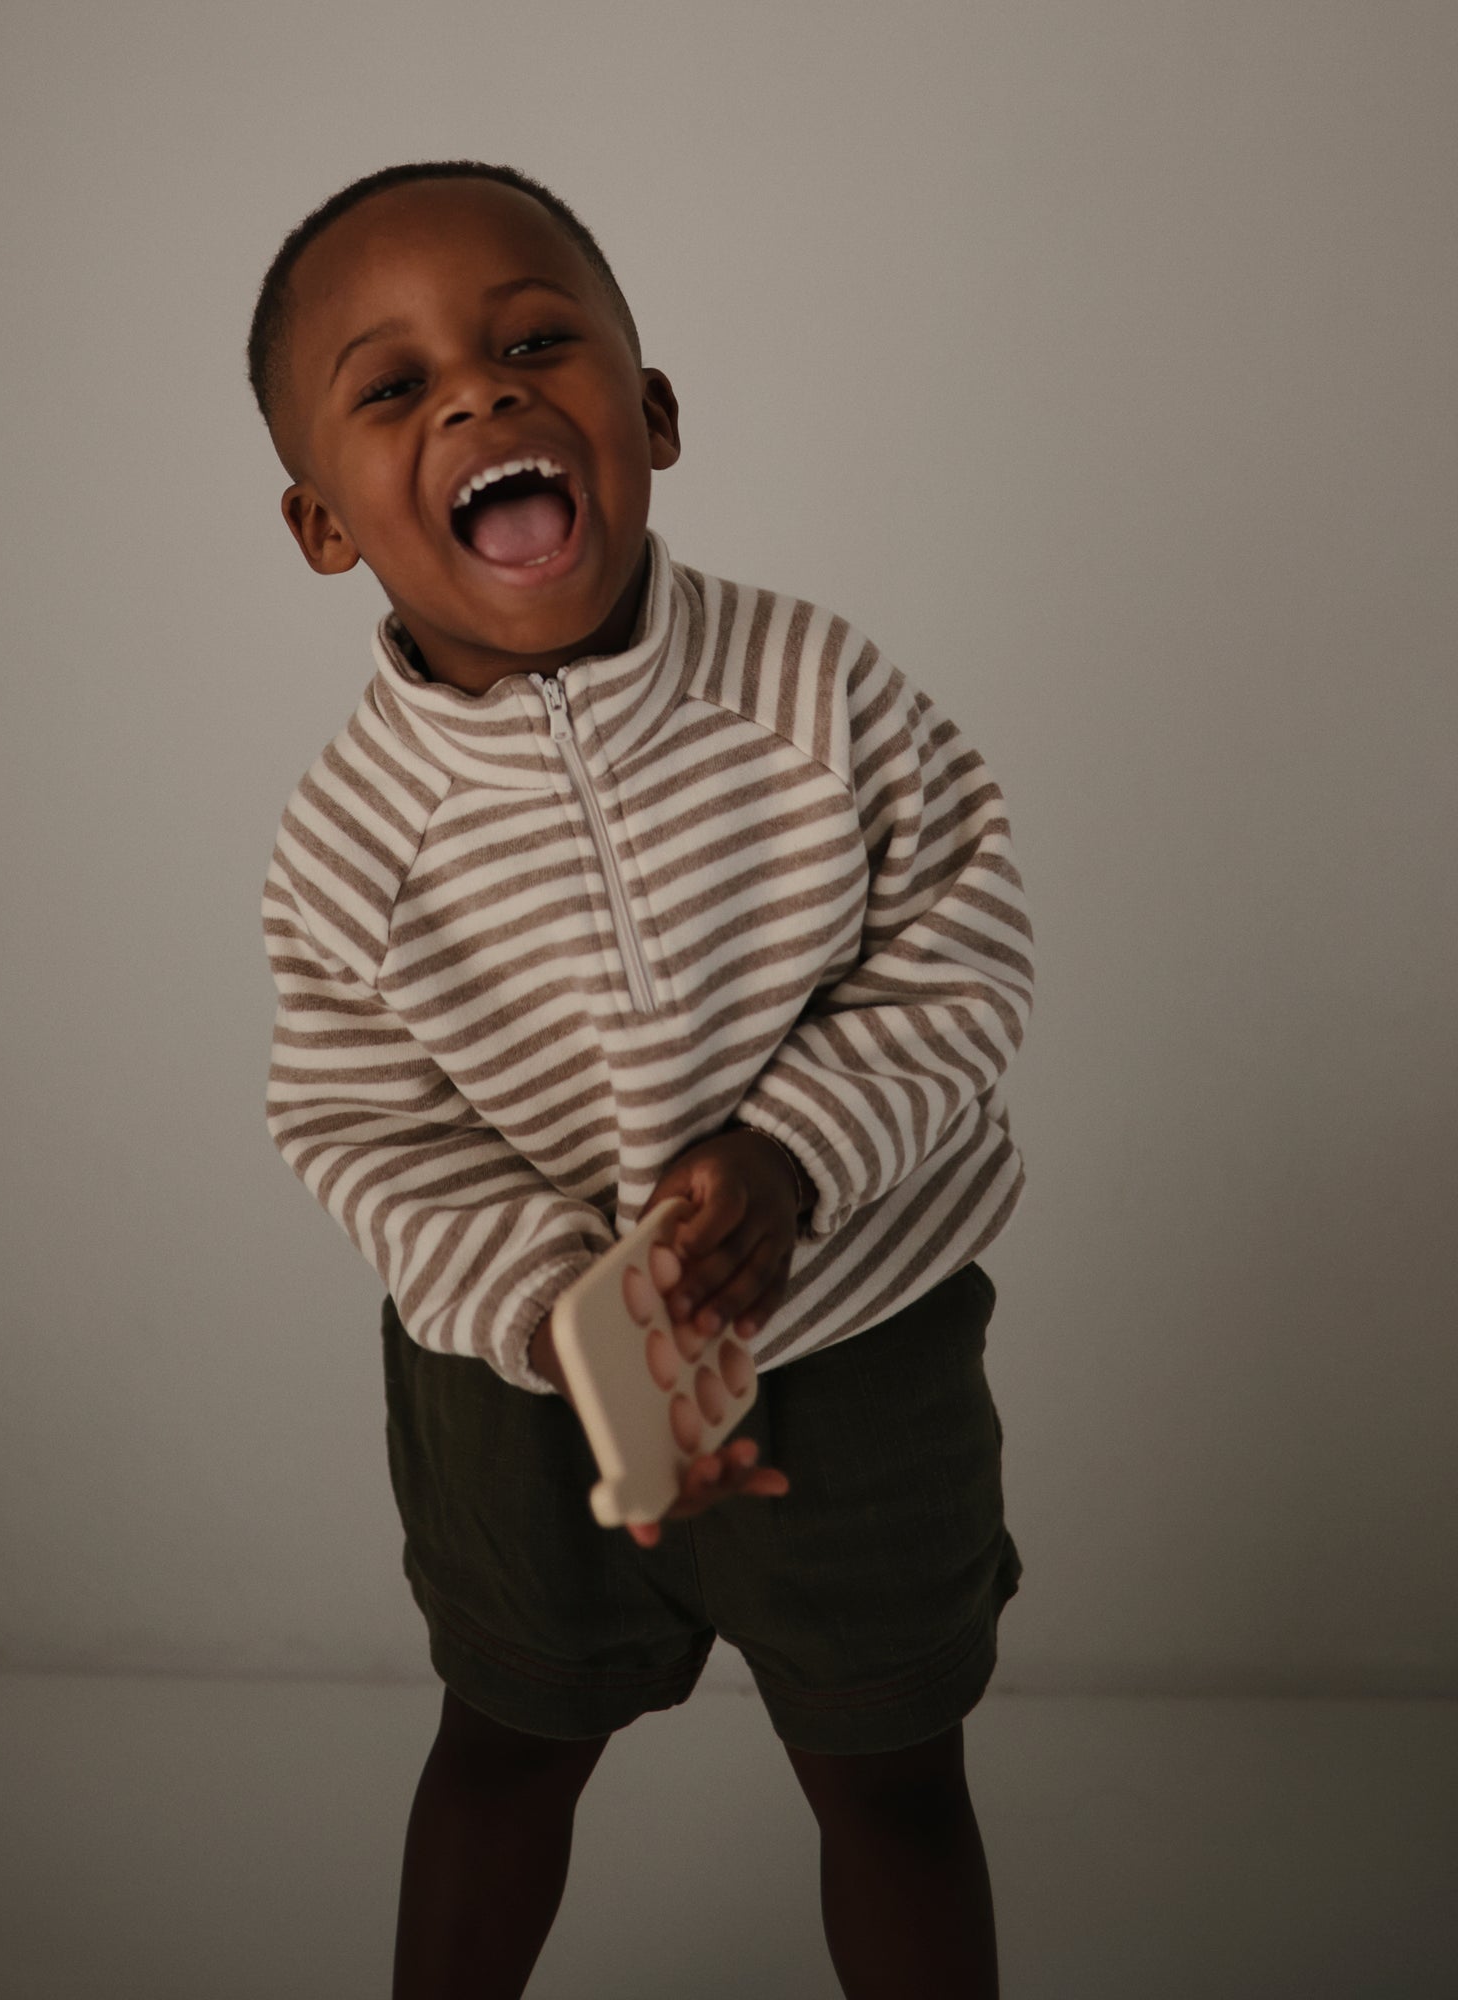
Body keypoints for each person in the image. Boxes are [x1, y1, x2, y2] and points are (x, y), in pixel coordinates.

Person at [251, 159, 1033, 2000]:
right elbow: (363, 1130)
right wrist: (560, 1316)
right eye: (396, 386)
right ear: (324, 524)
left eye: (535, 345)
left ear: (652, 412)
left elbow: (964, 939)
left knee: (894, 1776)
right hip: (527, 1409)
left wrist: (796, 1152)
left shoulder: (817, 691)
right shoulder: (348, 845)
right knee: (507, 1745)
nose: (479, 394)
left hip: (857, 1346)